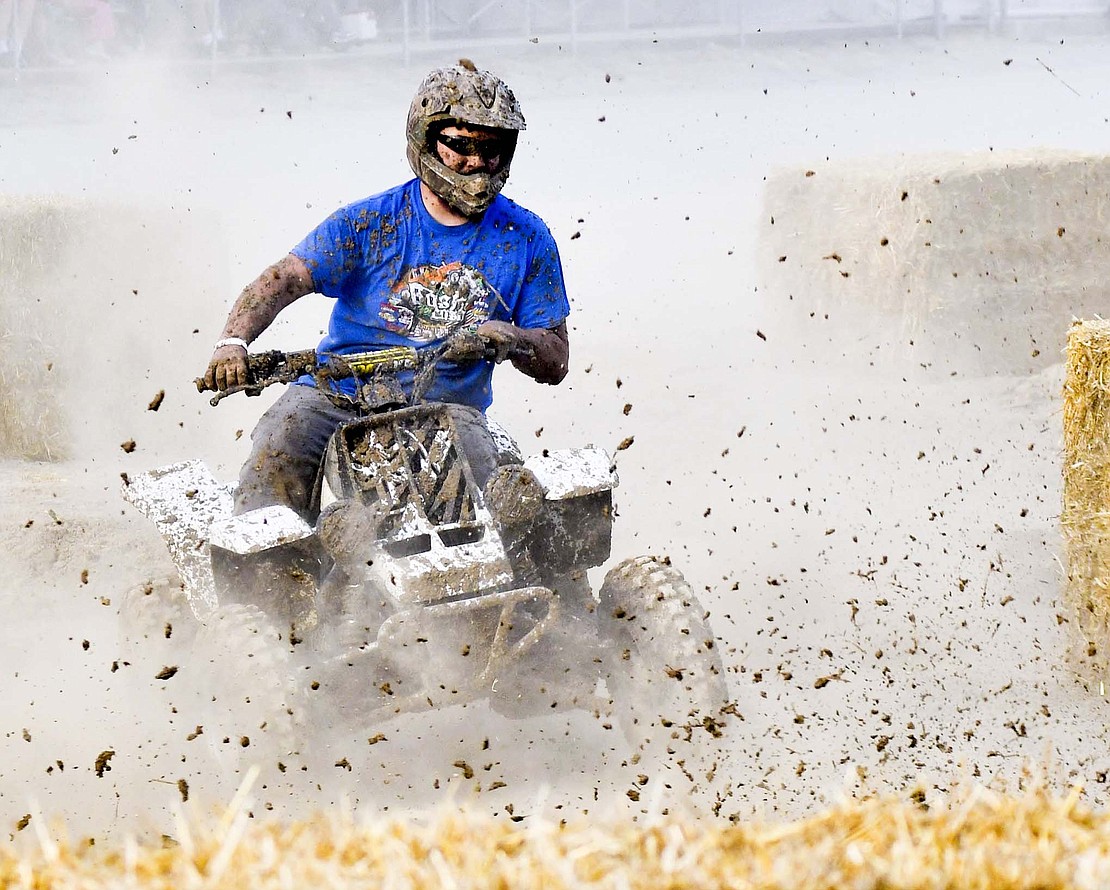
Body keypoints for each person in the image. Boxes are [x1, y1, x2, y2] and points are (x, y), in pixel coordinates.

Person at [202, 59, 570, 534]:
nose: (477, 163)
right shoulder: (370, 224)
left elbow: (556, 360)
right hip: (335, 392)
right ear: (426, 140)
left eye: (491, 149)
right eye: (460, 146)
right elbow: (282, 279)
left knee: (495, 509)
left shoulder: (527, 238)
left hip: (449, 405)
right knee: (277, 448)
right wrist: (232, 343)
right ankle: (264, 588)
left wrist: (514, 339)